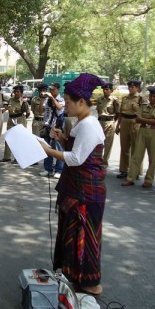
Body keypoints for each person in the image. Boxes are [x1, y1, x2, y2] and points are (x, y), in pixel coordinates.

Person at [37, 73, 106, 296]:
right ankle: (75, 277)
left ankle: (90, 283)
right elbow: (77, 151)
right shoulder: (81, 123)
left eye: (67, 102)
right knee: (74, 235)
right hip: (76, 188)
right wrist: (63, 138)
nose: (64, 105)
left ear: (82, 102)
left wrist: (48, 151)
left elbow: (77, 159)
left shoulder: (89, 126)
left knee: (84, 238)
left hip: (85, 191)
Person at [121, 86, 155, 188]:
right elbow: (137, 119)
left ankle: (149, 180)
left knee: (152, 157)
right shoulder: (143, 105)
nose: (152, 98)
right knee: (137, 155)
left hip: (154, 132)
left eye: (154, 96)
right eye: (151, 96)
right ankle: (130, 178)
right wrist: (151, 120)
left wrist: (145, 120)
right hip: (142, 131)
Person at [115, 80, 146, 178]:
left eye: (133, 87)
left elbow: (145, 112)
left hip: (135, 122)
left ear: (137, 88)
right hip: (124, 121)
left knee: (136, 148)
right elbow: (120, 112)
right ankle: (124, 169)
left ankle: (135, 171)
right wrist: (118, 125)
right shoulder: (125, 98)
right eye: (129, 87)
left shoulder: (142, 99)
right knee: (124, 147)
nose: (130, 89)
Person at [41, 82, 65, 178]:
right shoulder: (47, 99)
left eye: (53, 89)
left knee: (58, 149)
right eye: (50, 89)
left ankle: (59, 170)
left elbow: (59, 108)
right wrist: (43, 99)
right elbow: (41, 111)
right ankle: (48, 169)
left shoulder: (61, 99)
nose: (51, 91)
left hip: (56, 127)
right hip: (47, 126)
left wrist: (51, 97)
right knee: (47, 148)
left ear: (58, 89)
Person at [1, 85, 29, 163]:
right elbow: (7, 107)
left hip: (20, 119)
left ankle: (18, 158)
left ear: (21, 93)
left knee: (19, 140)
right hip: (11, 119)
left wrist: (22, 119)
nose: (16, 93)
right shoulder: (10, 100)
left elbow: (28, 113)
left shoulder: (23, 102)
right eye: (15, 91)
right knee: (8, 138)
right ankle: (7, 157)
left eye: (18, 92)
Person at [95, 83, 120, 168]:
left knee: (108, 143)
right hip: (100, 122)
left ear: (111, 90)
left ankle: (104, 162)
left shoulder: (114, 100)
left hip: (110, 123)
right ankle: (97, 161)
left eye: (107, 89)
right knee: (98, 142)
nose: (105, 91)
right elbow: (99, 111)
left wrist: (113, 122)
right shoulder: (99, 100)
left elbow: (118, 113)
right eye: (104, 89)